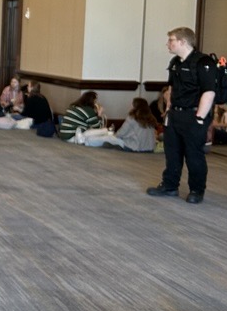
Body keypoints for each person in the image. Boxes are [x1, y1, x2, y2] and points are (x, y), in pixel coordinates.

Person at [147, 27, 216, 204]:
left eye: (171, 40)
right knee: (172, 152)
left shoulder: (203, 62)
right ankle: (170, 186)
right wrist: (168, 110)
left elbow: (209, 92)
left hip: (193, 114)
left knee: (193, 155)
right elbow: (171, 88)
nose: (168, 44)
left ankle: (196, 190)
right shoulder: (175, 62)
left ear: (183, 42)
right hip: (175, 114)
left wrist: (200, 118)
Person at [84, 97, 158, 152]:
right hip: (150, 148)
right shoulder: (151, 119)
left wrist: (113, 135)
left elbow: (120, 134)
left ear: (135, 107)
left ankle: (87, 141)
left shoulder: (132, 118)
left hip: (134, 147)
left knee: (108, 138)